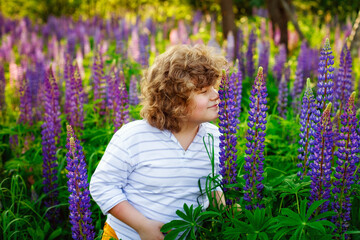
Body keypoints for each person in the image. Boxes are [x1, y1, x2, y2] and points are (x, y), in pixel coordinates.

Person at [90, 44, 227, 240]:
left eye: (214, 87)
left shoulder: (215, 138)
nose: (216, 95)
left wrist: (232, 215)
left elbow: (211, 186)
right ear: (175, 100)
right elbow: (102, 185)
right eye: (204, 91)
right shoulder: (134, 136)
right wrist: (142, 226)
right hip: (125, 236)